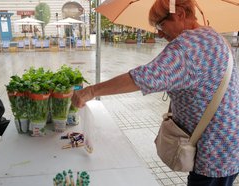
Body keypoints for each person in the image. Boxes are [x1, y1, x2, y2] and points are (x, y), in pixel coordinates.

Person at [71, 0, 239, 185]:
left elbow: (144, 77)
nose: (158, 33)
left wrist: (91, 91)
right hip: (230, 144)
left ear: (180, 14)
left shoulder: (187, 46)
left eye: (160, 24)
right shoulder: (214, 36)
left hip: (213, 154)